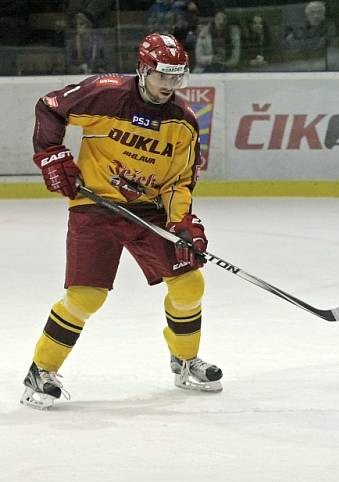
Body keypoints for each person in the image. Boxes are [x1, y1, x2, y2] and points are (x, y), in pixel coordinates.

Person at [23, 33, 222, 410]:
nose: (170, 86)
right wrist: (50, 154)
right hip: (95, 208)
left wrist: (183, 223)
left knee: (188, 284)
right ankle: (41, 372)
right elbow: (50, 107)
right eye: (163, 76)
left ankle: (184, 362)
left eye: (177, 78)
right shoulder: (105, 93)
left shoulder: (184, 122)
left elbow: (179, 181)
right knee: (86, 296)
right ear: (143, 69)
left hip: (148, 212)